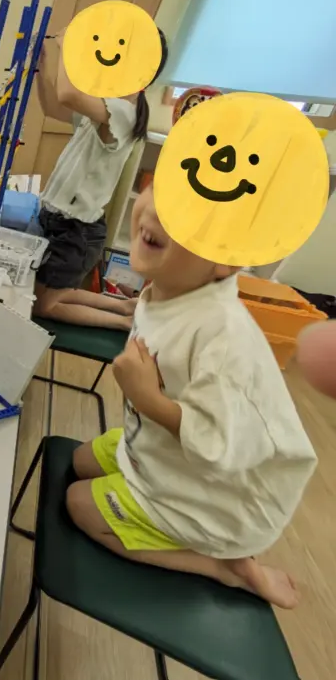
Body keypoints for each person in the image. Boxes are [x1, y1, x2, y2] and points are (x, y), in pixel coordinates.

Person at [65, 186, 317, 609]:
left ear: (225, 259)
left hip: (219, 497)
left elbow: (218, 444)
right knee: (79, 461)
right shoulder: (172, 287)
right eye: (162, 190)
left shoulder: (225, 341)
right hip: (166, 450)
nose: (155, 213)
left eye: (187, 213)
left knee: (80, 506)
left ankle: (223, 566)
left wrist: (147, 399)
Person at [32, 29, 169, 330]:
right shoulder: (107, 108)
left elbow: (68, 94)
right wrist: (41, 66)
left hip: (74, 230)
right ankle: (126, 307)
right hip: (67, 224)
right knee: (54, 293)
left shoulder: (122, 112)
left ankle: (125, 324)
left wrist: (66, 47)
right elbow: (53, 106)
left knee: (44, 305)